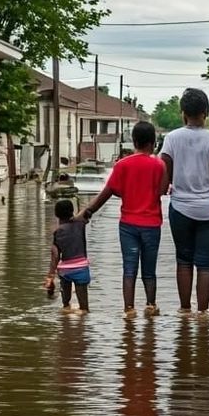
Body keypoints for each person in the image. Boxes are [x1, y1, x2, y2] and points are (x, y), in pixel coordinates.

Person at [83, 121, 167, 318]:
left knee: (129, 268)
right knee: (149, 270)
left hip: (128, 225)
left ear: (133, 141)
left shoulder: (122, 165)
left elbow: (109, 192)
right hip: (152, 225)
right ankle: (151, 305)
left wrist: (86, 213)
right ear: (153, 143)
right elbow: (163, 190)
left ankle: (129, 309)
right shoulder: (159, 165)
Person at [160, 88, 209, 314]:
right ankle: (203, 314)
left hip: (180, 207)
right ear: (206, 112)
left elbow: (165, 175)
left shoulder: (171, 138)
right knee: (205, 264)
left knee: (183, 260)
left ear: (183, 113)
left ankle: (184, 310)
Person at [45, 199, 91, 314]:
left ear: (56, 214)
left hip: (65, 271)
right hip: (81, 269)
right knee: (84, 309)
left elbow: (55, 255)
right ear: (72, 211)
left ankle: (66, 314)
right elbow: (87, 212)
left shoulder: (58, 232)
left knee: (65, 306)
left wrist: (50, 276)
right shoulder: (80, 225)